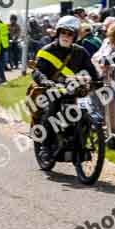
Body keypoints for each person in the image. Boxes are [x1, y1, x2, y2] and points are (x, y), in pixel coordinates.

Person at [31, 16, 101, 163]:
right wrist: (46, 81)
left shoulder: (80, 52)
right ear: (57, 33)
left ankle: (81, 143)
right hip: (52, 89)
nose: (66, 36)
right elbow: (37, 71)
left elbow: (91, 70)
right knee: (52, 110)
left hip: (75, 91)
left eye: (70, 34)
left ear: (75, 36)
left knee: (86, 112)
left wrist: (98, 80)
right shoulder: (46, 51)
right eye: (63, 32)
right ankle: (45, 147)